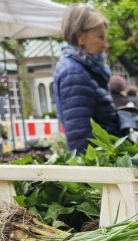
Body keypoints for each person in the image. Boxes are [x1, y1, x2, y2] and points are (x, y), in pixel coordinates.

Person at [53, 4, 120, 154]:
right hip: (98, 170)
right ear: (80, 37)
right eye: (100, 37)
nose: (106, 44)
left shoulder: (85, 69)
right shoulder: (74, 73)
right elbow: (81, 142)